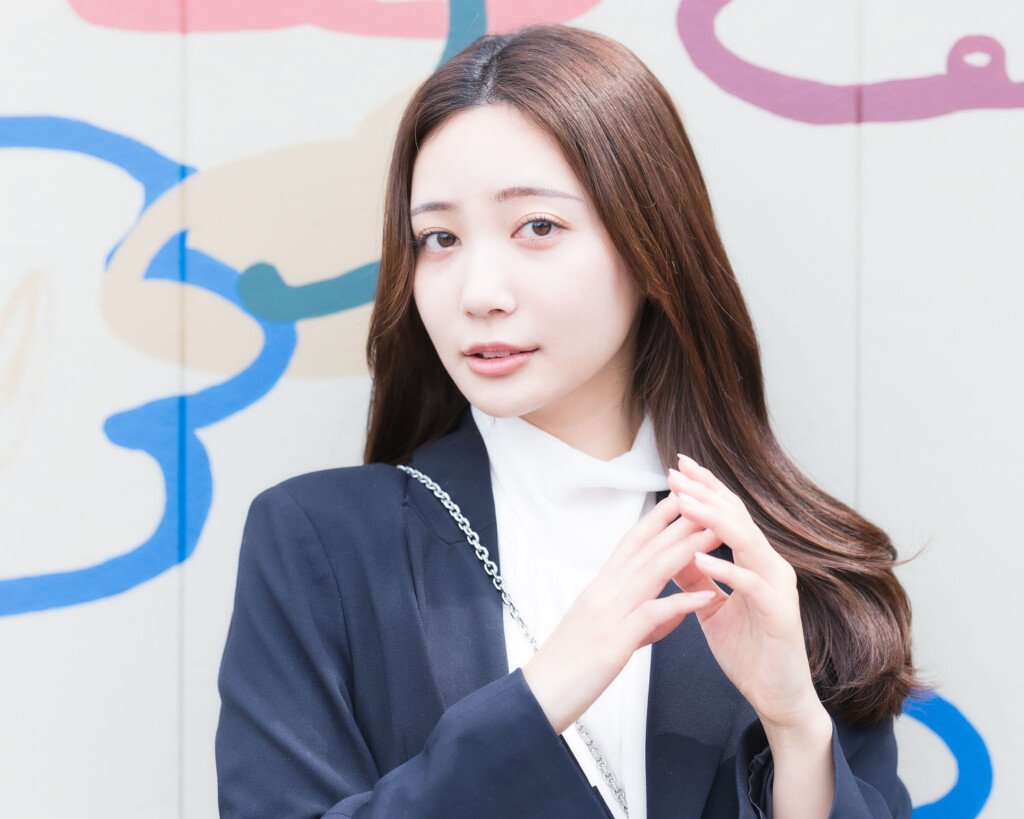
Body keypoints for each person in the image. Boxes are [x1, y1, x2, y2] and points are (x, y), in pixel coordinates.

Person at [216, 25, 917, 819]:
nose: (479, 291)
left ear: (650, 242)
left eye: (538, 227)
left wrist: (796, 730)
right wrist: (540, 697)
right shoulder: (322, 544)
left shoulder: (787, 567)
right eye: (439, 238)